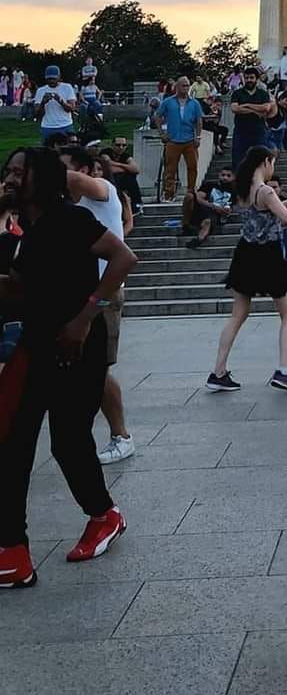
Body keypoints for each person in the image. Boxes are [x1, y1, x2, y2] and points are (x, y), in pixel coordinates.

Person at [0, 146, 138, 586]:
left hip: (76, 345)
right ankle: (13, 550)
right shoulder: (28, 232)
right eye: (7, 171)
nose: (9, 178)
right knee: (13, 442)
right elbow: (24, 290)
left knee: (67, 441)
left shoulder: (70, 219)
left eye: (19, 172)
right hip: (38, 343)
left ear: (41, 178)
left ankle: (103, 515)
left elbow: (123, 259)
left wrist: (83, 319)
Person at [206, 145, 287, 394]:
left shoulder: (244, 188)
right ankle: (284, 370)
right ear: (266, 162)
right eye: (272, 163)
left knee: (238, 313)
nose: (272, 168)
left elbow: (272, 209)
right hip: (268, 255)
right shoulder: (266, 190)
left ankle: (218, 371)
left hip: (244, 253)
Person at [58, 145, 133, 466]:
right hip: (77, 293)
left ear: (86, 170)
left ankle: (122, 436)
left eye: (62, 168)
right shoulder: (66, 209)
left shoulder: (103, 192)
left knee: (99, 368)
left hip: (104, 293)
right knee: (86, 368)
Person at [154, 75, 203, 203]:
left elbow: (199, 121)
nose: (185, 88)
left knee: (193, 167)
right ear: (177, 87)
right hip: (173, 140)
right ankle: (169, 194)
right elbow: (157, 116)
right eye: (183, 85)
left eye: (187, 85)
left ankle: (191, 192)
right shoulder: (168, 102)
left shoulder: (194, 103)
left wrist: (198, 136)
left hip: (189, 140)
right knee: (170, 169)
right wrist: (162, 133)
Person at [183, 166, 234, 250]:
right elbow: (199, 198)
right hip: (202, 208)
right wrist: (213, 206)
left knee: (207, 222)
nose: (225, 177)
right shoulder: (210, 185)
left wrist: (226, 211)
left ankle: (198, 240)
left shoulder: (233, 191)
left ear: (233, 177)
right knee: (189, 196)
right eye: (223, 175)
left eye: (228, 176)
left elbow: (232, 206)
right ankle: (186, 226)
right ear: (219, 175)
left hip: (214, 215)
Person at [230, 67, 272, 168]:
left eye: (252, 77)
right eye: (247, 77)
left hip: (259, 131)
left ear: (257, 79)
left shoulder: (263, 94)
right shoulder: (237, 93)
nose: (249, 80)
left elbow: (266, 108)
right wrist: (256, 111)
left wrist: (246, 105)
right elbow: (235, 109)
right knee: (238, 160)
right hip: (241, 131)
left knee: (262, 159)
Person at [33, 65, 77, 144]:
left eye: (54, 78)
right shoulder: (40, 91)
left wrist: (61, 101)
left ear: (59, 77)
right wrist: (43, 102)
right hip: (48, 127)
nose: (51, 81)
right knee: (48, 153)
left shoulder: (67, 87)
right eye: (49, 79)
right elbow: (38, 114)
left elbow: (72, 108)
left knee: (69, 151)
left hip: (65, 125)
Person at [103, 135, 142, 216]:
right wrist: (127, 168)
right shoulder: (106, 153)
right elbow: (109, 167)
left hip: (122, 180)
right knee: (128, 175)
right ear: (112, 145)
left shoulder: (125, 156)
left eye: (124, 145)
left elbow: (136, 169)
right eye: (118, 145)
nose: (121, 147)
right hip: (108, 180)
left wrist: (119, 166)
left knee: (131, 177)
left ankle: (136, 205)